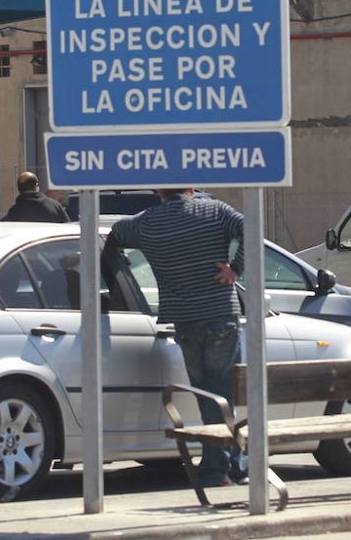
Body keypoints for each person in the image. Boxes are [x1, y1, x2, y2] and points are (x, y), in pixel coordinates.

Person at [101, 188, 246, 488]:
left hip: (183, 319)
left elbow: (116, 233)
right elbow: (249, 227)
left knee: (207, 392)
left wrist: (112, 268)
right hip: (220, 313)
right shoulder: (216, 212)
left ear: (159, 193)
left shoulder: (147, 223)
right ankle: (219, 469)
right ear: (191, 189)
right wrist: (235, 269)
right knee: (221, 392)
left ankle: (229, 463)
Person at [1, 171, 69, 222]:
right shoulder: (55, 206)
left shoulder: (14, 212)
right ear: (36, 186)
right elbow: (68, 230)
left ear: (18, 188)